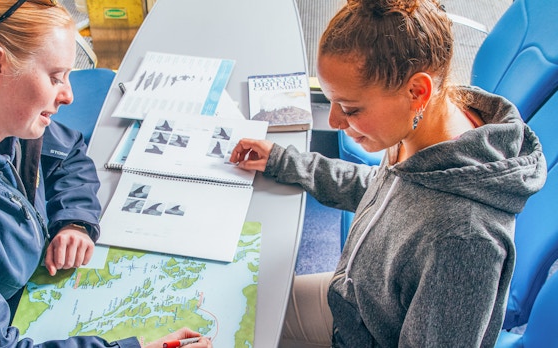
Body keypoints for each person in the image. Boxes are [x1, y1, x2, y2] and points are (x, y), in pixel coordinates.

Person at [0, 1, 211, 347]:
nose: (69, 95)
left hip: (15, 296)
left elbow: (67, 154)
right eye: (56, 76)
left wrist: (73, 220)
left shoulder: (2, 119)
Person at [230, 0, 547, 347]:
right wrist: (287, 162)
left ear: (417, 91)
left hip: (364, 329)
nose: (334, 121)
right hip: (355, 305)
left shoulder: (465, 240)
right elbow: (386, 194)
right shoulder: (421, 131)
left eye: (350, 109)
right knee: (231, 308)